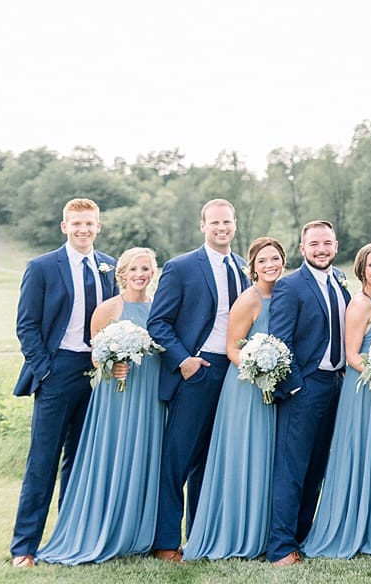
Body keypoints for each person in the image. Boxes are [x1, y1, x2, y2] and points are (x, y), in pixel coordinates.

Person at [37, 247, 163, 564]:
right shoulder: (107, 309)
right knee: (113, 454)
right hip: (116, 395)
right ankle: (103, 527)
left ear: (153, 272)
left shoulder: (158, 307)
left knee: (143, 455)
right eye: (134, 269)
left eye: (146, 269)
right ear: (122, 273)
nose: (140, 275)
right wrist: (112, 364)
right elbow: (95, 355)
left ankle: (137, 533)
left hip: (149, 393)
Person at [10, 198, 118, 568]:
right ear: (64, 227)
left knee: (82, 460)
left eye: (89, 223)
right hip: (58, 370)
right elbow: (27, 325)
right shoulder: (42, 267)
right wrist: (45, 370)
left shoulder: (109, 266)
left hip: (98, 371)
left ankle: (71, 539)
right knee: (43, 461)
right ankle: (24, 547)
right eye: (76, 224)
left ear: (98, 226)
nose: (83, 229)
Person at [148, 198, 250, 563]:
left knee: (212, 460)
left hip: (234, 372)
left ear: (235, 225)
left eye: (227, 222)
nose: (222, 228)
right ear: (203, 225)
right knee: (177, 459)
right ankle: (165, 542)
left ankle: (201, 536)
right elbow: (158, 322)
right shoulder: (181, 267)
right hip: (198, 370)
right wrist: (185, 362)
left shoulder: (242, 267)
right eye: (215, 222)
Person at [183, 237, 287, 560]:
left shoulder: (285, 295)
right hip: (246, 388)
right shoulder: (248, 300)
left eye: (275, 259)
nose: (269, 265)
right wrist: (258, 368)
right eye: (262, 261)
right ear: (252, 267)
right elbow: (232, 349)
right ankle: (235, 532)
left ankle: (262, 533)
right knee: (245, 455)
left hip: (274, 388)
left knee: (267, 457)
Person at [302, 243, 371, 558]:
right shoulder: (360, 304)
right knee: (359, 452)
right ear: (361, 270)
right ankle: (347, 527)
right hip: (363, 389)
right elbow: (351, 355)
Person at [266, 220, 349, 566]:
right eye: (314, 244)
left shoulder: (340, 281)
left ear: (335, 246)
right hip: (305, 387)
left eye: (327, 243)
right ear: (302, 248)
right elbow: (280, 340)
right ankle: (280, 546)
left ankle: (300, 536)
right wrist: (296, 385)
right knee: (292, 468)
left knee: (316, 468)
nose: (321, 249)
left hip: (335, 385)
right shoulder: (290, 286)